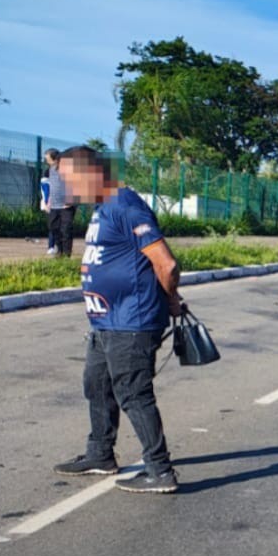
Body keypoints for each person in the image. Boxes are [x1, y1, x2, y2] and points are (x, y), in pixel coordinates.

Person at [52, 146, 184, 494]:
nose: (64, 186)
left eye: (68, 178)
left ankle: (160, 470)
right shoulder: (103, 208)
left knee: (133, 394)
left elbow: (166, 263)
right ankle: (100, 454)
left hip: (132, 321)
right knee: (96, 385)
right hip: (105, 320)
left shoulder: (124, 204)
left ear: (90, 173)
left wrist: (170, 300)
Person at [42, 148, 74, 258]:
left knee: (65, 230)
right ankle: (59, 250)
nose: (46, 160)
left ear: (54, 158)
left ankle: (66, 255)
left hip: (66, 206)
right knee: (53, 227)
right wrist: (48, 202)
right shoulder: (50, 170)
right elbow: (50, 187)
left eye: (47, 157)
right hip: (54, 205)